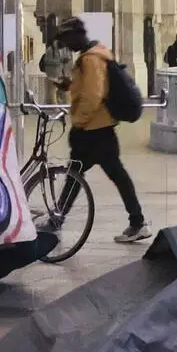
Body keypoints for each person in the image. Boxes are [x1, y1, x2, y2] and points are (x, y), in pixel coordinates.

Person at [54, 19, 150, 245]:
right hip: (100, 128)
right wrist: (70, 85)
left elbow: (93, 95)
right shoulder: (95, 55)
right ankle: (137, 221)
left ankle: (57, 219)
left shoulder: (91, 59)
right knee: (101, 174)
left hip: (93, 130)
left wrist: (79, 121)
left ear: (77, 35)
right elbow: (91, 88)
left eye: (67, 39)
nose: (66, 44)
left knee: (76, 175)